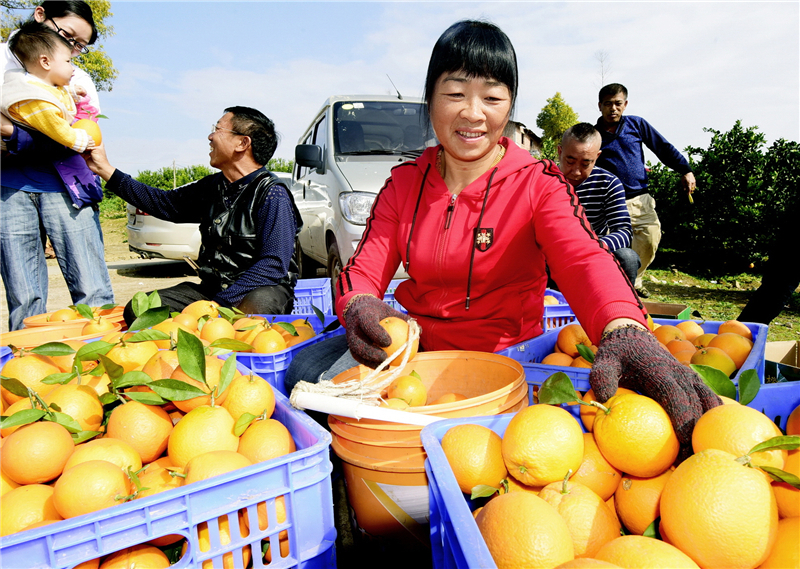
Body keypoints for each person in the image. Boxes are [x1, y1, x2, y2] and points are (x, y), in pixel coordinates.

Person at [287, 20, 719, 452]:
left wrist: (624, 328)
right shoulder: (404, 185)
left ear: (509, 106)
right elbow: (363, 268)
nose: (473, 113)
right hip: (418, 358)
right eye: (455, 93)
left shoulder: (538, 184)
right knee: (302, 373)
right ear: (430, 99)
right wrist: (358, 302)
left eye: (492, 97)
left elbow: (584, 259)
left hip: (506, 362)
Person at [83, 106, 303, 324]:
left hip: (257, 290)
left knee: (255, 310)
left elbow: (273, 264)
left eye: (218, 129)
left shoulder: (272, 193)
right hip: (211, 291)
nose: (210, 136)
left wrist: (220, 304)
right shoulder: (212, 187)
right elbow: (163, 203)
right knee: (141, 308)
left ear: (242, 143)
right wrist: (103, 168)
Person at [0, 0, 113, 332]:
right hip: (10, 190)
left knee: (93, 292)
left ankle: (103, 363)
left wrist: (12, 134)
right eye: (69, 37)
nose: (73, 50)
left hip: (68, 189)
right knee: (24, 298)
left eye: (80, 46)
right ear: (40, 16)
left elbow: (86, 137)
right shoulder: (2, 64)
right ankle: (28, 370)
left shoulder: (77, 80)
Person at [594, 83, 696, 298]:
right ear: (600, 106)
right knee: (608, 248)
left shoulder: (636, 124)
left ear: (625, 104)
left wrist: (685, 170)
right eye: (608, 104)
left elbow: (663, 148)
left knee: (650, 239)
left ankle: (634, 279)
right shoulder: (593, 134)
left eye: (617, 103)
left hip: (639, 198)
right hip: (609, 202)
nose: (613, 108)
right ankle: (613, 286)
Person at [557, 122, 640, 286]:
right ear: (560, 152)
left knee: (627, 258)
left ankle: (622, 308)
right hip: (552, 253)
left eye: (585, 163)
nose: (576, 171)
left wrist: (593, 246)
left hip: (594, 254)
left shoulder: (608, 183)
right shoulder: (543, 179)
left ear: (597, 158)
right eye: (570, 161)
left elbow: (623, 231)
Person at [2, 21, 96, 153]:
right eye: (68, 61)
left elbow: (52, 93)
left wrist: (71, 92)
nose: (72, 68)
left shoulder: (37, 85)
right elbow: (56, 127)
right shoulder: (35, 100)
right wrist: (79, 140)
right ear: (45, 62)